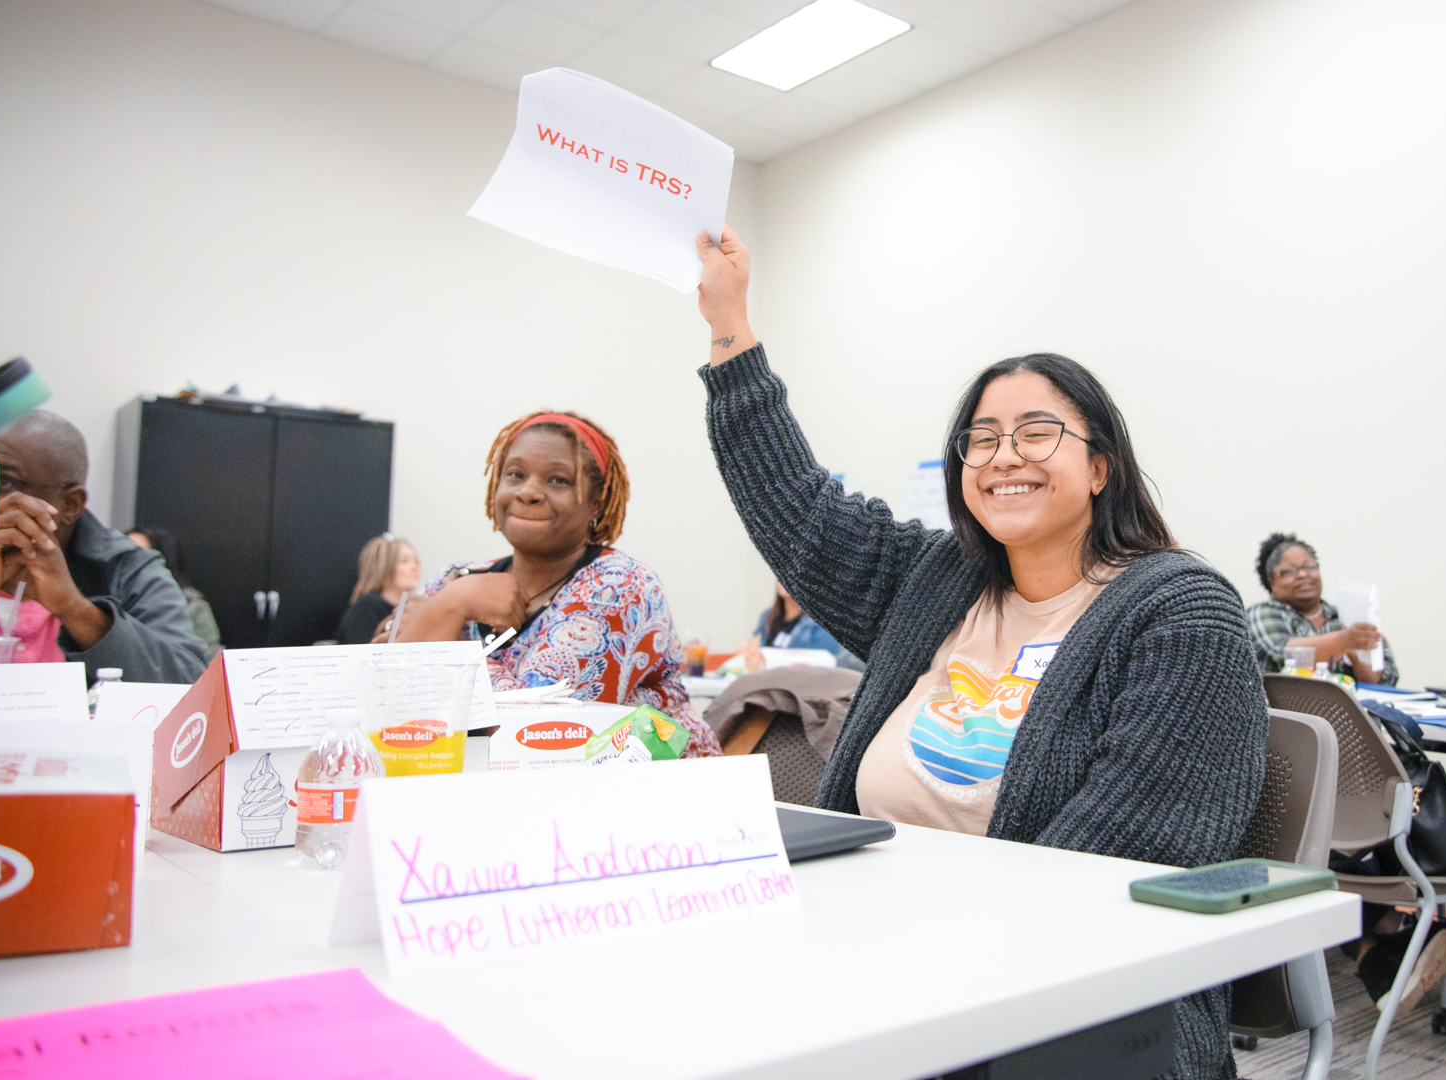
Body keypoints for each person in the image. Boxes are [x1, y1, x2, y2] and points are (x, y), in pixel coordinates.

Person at [695, 225, 1263, 1080]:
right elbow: (799, 509)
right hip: (881, 954)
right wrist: (730, 329)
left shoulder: (1182, 616)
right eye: (983, 439)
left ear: (1102, 467)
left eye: (1037, 433)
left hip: (1078, 1002)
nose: (1005, 457)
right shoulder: (939, 580)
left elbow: (1104, 874)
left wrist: (893, 953)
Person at [390, 410, 719, 757]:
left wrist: (445, 615)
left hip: (659, 796)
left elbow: (539, 734)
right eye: (515, 474)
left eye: (557, 480)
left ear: (597, 501)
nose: (528, 492)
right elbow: (388, 699)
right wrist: (447, 614)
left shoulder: (620, 586)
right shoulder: (456, 578)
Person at [0, 411, 207, 682]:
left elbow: (189, 684)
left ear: (70, 504)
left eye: (4, 481)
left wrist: (74, 608)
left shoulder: (126, 567)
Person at [1246, 532, 1398, 684]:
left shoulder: (1343, 617)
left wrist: (1357, 654)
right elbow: (1283, 657)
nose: (1303, 574)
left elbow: (1386, 681)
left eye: (1310, 566)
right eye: (1290, 571)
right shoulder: (1261, 613)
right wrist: (1344, 641)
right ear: (1271, 581)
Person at [127, 524, 222, 655]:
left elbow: (212, 660)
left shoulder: (193, 606)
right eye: (124, 555)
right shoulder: (105, 602)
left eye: (138, 556)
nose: (129, 564)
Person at [334, 534, 418, 645]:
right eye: (404, 561)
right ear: (382, 567)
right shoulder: (366, 610)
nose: (415, 567)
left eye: (417, 561)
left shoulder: (414, 608)